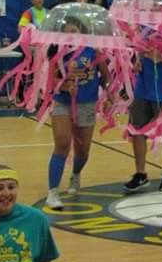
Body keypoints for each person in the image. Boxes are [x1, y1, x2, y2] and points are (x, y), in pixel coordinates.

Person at [45, 17, 112, 210]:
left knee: (83, 149)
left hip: (87, 103)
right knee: (62, 143)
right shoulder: (56, 52)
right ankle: (53, 192)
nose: (71, 35)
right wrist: (64, 85)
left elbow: (106, 77)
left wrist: (108, 94)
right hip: (62, 102)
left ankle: (75, 175)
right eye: (67, 31)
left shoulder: (93, 51)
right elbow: (51, 82)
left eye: (74, 31)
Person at [124, 49, 162, 193]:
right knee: (137, 129)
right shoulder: (144, 28)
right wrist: (137, 60)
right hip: (143, 86)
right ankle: (140, 173)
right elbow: (140, 49)